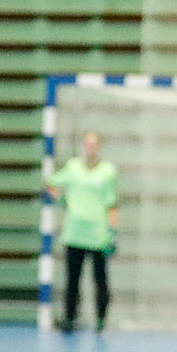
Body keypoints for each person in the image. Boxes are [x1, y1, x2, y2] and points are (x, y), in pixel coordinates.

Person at [46, 131, 118, 334]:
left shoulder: (107, 172)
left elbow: (111, 204)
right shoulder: (73, 168)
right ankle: (69, 318)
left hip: (98, 235)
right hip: (75, 234)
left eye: (94, 144)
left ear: (99, 147)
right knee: (72, 281)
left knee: (100, 281)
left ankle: (101, 320)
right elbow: (51, 182)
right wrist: (62, 199)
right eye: (88, 144)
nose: (91, 148)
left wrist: (112, 232)